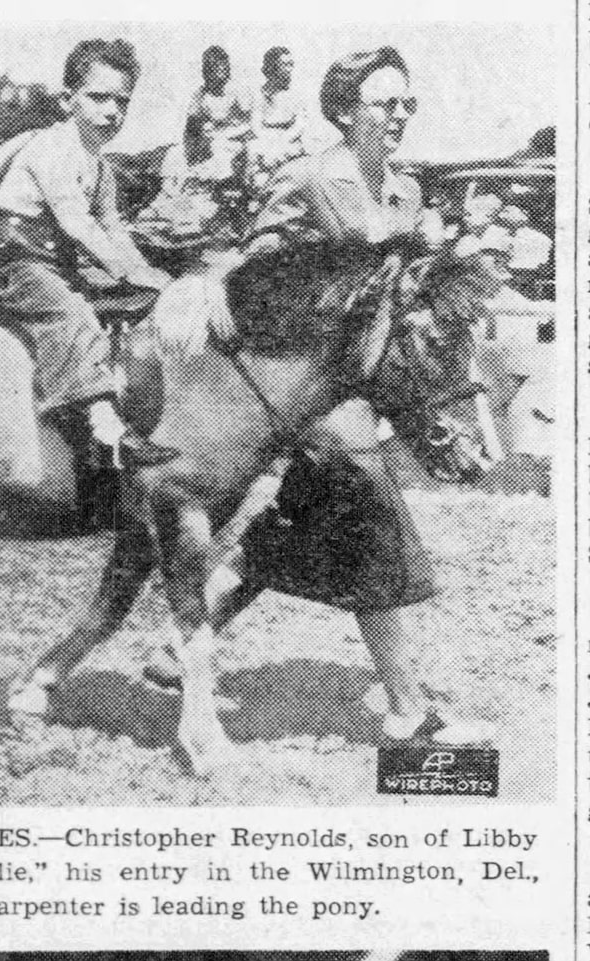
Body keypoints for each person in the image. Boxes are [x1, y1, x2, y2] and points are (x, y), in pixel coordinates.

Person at [202, 47, 492, 743]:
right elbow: (250, 273)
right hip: (306, 386)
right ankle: (407, 707)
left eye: (406, 103)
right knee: (373, 509)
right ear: (343, 110)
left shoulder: (409, 191)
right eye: (384, 102)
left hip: (367, 387)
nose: (398, 115)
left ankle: (177, 645)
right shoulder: (305, 178)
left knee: (294, 523)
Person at [0, 38, 178, 468]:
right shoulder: (52, 148)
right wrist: (127, 271)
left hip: (54, 260)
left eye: (122, 101)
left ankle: (133, 392)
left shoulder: (100, 163)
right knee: (70, 313)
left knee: (127, 303)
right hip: (17, 256)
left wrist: (145, 270)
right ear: (68, 100)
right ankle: (104, 427)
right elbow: (78, 224)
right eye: (98, 97)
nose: (111, 111)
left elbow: (111, 224)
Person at [183, 46, 253, 178]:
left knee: (221, 153)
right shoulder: (200, 95)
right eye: (213, 68)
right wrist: (202, 131)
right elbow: (190, 127)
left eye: (222, 67)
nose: (219, 72)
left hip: (235, 139)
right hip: (207, 144)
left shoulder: (238, 92)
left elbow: (250, 124)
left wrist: (226, 134)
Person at [246, 46, 307, 186]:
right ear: (273, 67)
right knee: (255, 154)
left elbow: (299, 125)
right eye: (285, 64)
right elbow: (255, 124)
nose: (289, 69)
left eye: (291, 64)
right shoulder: (259, 94)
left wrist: (282, 141)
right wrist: (270, 142)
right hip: (265, 140)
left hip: (289, 140)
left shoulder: (296, 95)